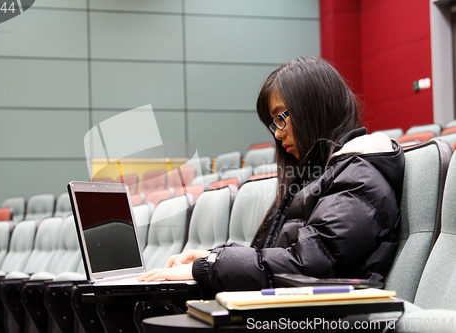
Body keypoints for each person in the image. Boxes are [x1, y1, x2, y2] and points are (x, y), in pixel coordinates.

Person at [137, 56, 404, 292]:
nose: (277, 133)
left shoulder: (359, 176)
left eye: (281, 118)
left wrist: (211, 266)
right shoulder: (320, 175)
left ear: (313, 109)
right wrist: (210, 256)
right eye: (273, 123)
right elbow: (278, 258)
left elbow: (307, 265)